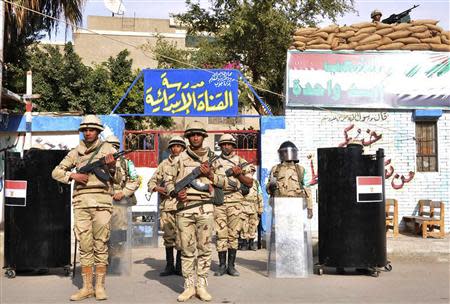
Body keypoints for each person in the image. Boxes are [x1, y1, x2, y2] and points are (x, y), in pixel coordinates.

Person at [52, 115, 118, 301]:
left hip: (102, 202)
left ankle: (100, 287)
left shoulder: (108, 150)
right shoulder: (76, 152)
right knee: (85, 245)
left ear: (98, 131)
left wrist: (112, 167)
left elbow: (119, 178)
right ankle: (87, 287)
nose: (88, 132)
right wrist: (73, 176)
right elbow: (56, 172)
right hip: (81, 202)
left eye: (92, 129)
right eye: (85, 130)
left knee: (101, 244)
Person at [164, 121, 224, 302]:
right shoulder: (179, 159)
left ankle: (202, 285)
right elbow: (167, 182)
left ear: (204, 137)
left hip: (205, 208)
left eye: (199, 134)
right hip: (184, 209)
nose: (195, 137)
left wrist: (211, 175)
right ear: (188, 137)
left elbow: (224, 182)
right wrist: (175, 192)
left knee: (205, 249)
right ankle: (189, 286)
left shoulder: (214, 158)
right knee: (187, 250)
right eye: (192, 135)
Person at [212, 134, 254, 277]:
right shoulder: (214, 162)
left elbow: (249, 183)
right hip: (220, 202)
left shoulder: (241, 162)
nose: (226, 146)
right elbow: (209, 180)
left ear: (233, 145)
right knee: (220, 234)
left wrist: (239, 175)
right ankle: (222, 265)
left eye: (228, 144)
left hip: (236, 202)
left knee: (233, 234)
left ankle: (231, 266)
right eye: (223, 144)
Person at [147, 135, 186, 276]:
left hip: (184, 205)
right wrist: (160, 189)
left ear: (183, 148)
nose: (176, 148)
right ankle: (170, 266)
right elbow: (151, 182)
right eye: (173, 146)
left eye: (179, 146)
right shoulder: (164, 164)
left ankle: (180, 266)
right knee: (168, 237)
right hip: (168, 205)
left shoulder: (188, 162)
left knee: (182, 237)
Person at [106, 135, 140, 274]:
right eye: (109, 146)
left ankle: (117, 264)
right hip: (103, 201)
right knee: (103, 234)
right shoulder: (99, 162)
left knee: (119, 235)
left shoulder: (126, 163)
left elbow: (135, 180)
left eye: (114, 146)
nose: (111, 149)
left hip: (120, 203)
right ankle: (103, 263)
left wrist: (124, 192)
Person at [266, 141, 313, 219]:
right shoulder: (275, 169)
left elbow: (307, 190)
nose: (287, 154)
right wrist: (271, 186)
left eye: (288, 152)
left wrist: (310, 208)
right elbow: (268, 189)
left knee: (296, 230)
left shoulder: (300, 169)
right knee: (280, 230)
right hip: (280, 207)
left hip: (296, 207)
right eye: (284, 152)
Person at [239, 164, 263, 251]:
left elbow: (259, 195)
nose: (251, 173)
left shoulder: (256, 182)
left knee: (253, 225)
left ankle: (252, 243)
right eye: (250, 171)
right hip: (243, 207)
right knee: (243, 226)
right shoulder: (241, 182)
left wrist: (261, 208)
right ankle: (244, 243)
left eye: (253, 171)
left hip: (254, 207)